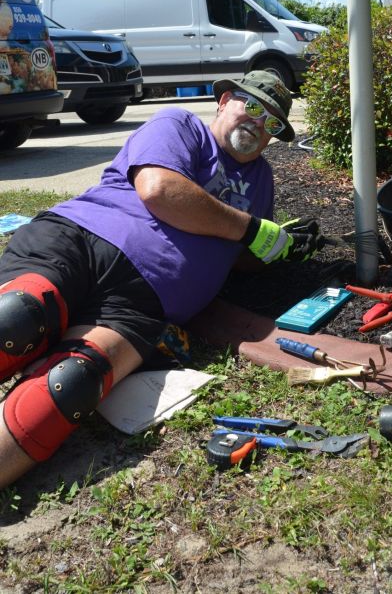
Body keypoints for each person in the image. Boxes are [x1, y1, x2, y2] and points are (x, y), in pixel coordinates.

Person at [0, 70, 323, 489]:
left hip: (141, 306)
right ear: (225, 100)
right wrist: (251, 229)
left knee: (72, 384)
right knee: (17, 318)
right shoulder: (180, 124)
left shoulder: (261, 178)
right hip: (81, 244)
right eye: (253, 107)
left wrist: (279, 246)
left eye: (273, 123)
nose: (259, 124)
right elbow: (158, 189)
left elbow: (242, 256)